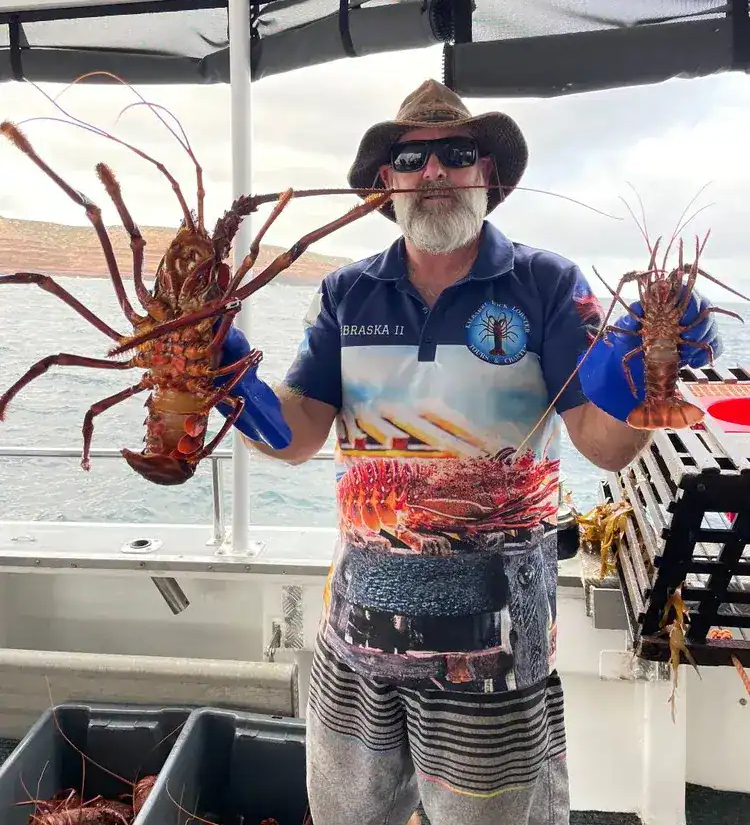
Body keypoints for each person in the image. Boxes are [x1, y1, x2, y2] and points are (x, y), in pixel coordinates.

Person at [215, 79, 724, 825]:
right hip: (355, 643)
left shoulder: (550, 285)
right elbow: (297, 434)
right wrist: (229, 383)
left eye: (455, 154)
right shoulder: (346, 293)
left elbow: (604, 447)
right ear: (385, 183)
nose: (433, 173)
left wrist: (656, 378)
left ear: (487, 173)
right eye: (411, 158)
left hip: (496, 655)